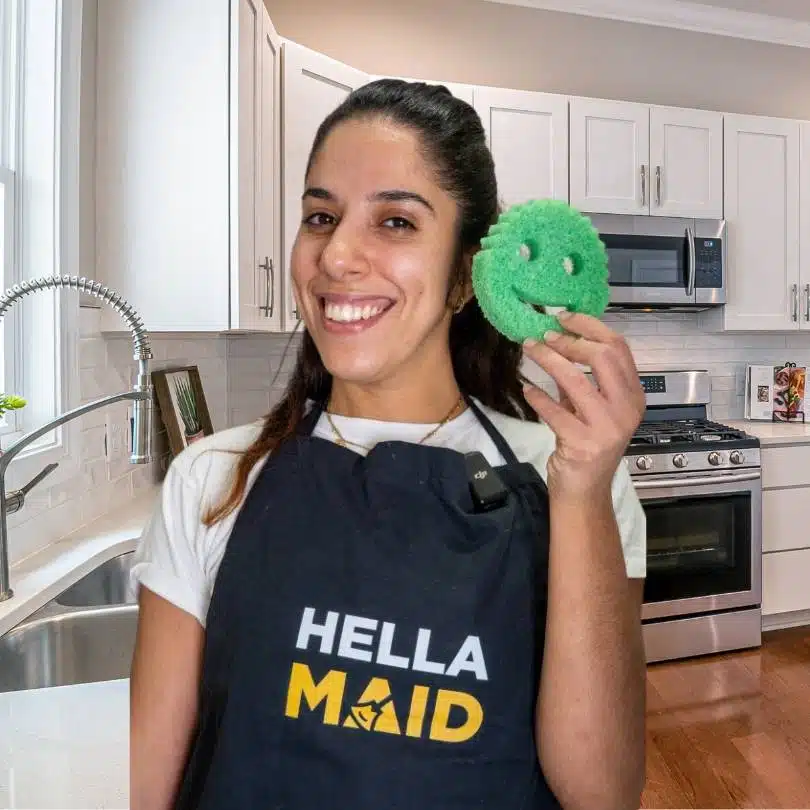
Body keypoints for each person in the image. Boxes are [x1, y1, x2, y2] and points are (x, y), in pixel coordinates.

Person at [130, 79, 648, 810]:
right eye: (320, 216)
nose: (337, 255)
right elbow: (150, 788)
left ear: (467, 276)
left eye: (396, 222)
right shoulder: (211, 483)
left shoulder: (566, 478)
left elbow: (603, 793)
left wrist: (587, 485)